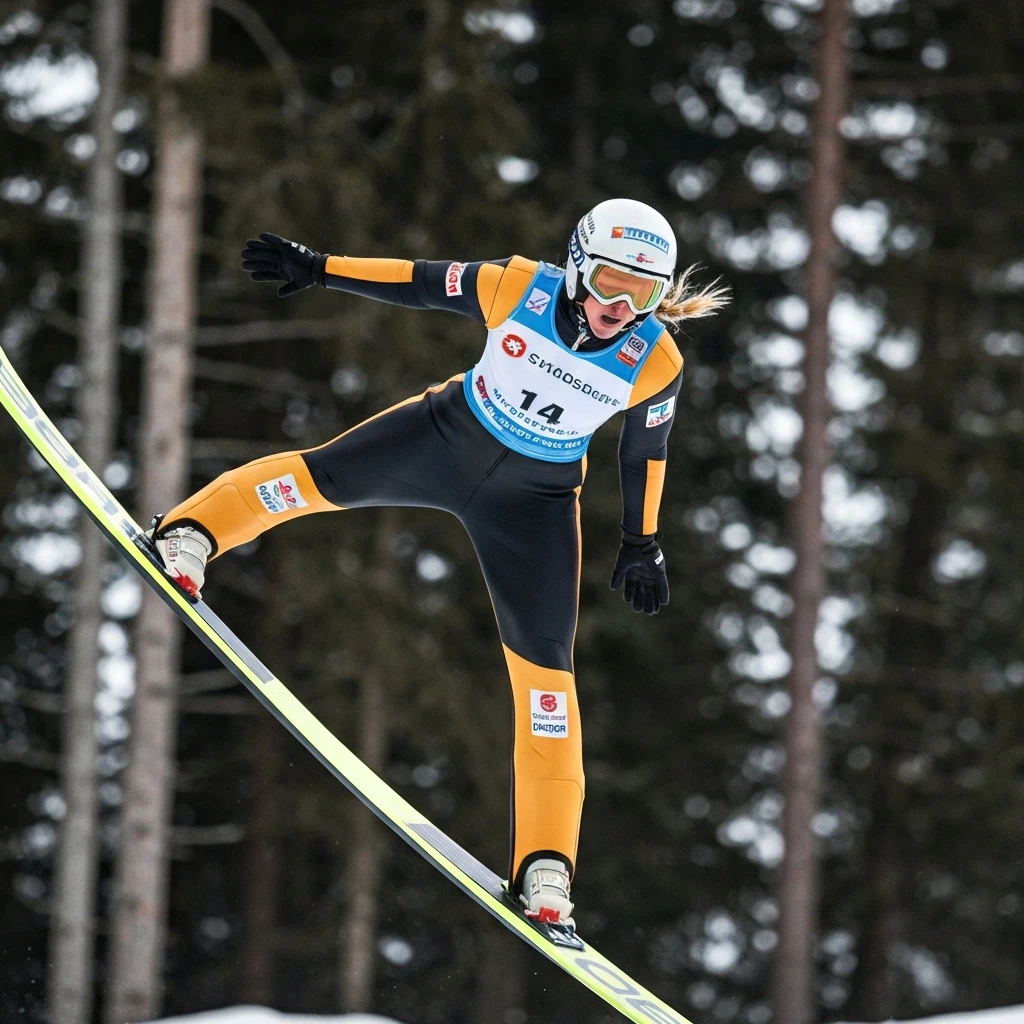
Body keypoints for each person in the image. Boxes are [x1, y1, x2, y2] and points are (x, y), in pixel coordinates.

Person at [151, 198, 729, 930]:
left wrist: (641, 541)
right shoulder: (519, 286)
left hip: (536, 505)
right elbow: (417, 281)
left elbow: (645, 452)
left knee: (549, 682)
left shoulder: (657, 359)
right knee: (313, 479)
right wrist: (320, 268)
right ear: (579, 262)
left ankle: (547, 866)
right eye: (611, 281)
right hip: (443, 436)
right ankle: (192, 532)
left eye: (642, 293)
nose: (622, 305)